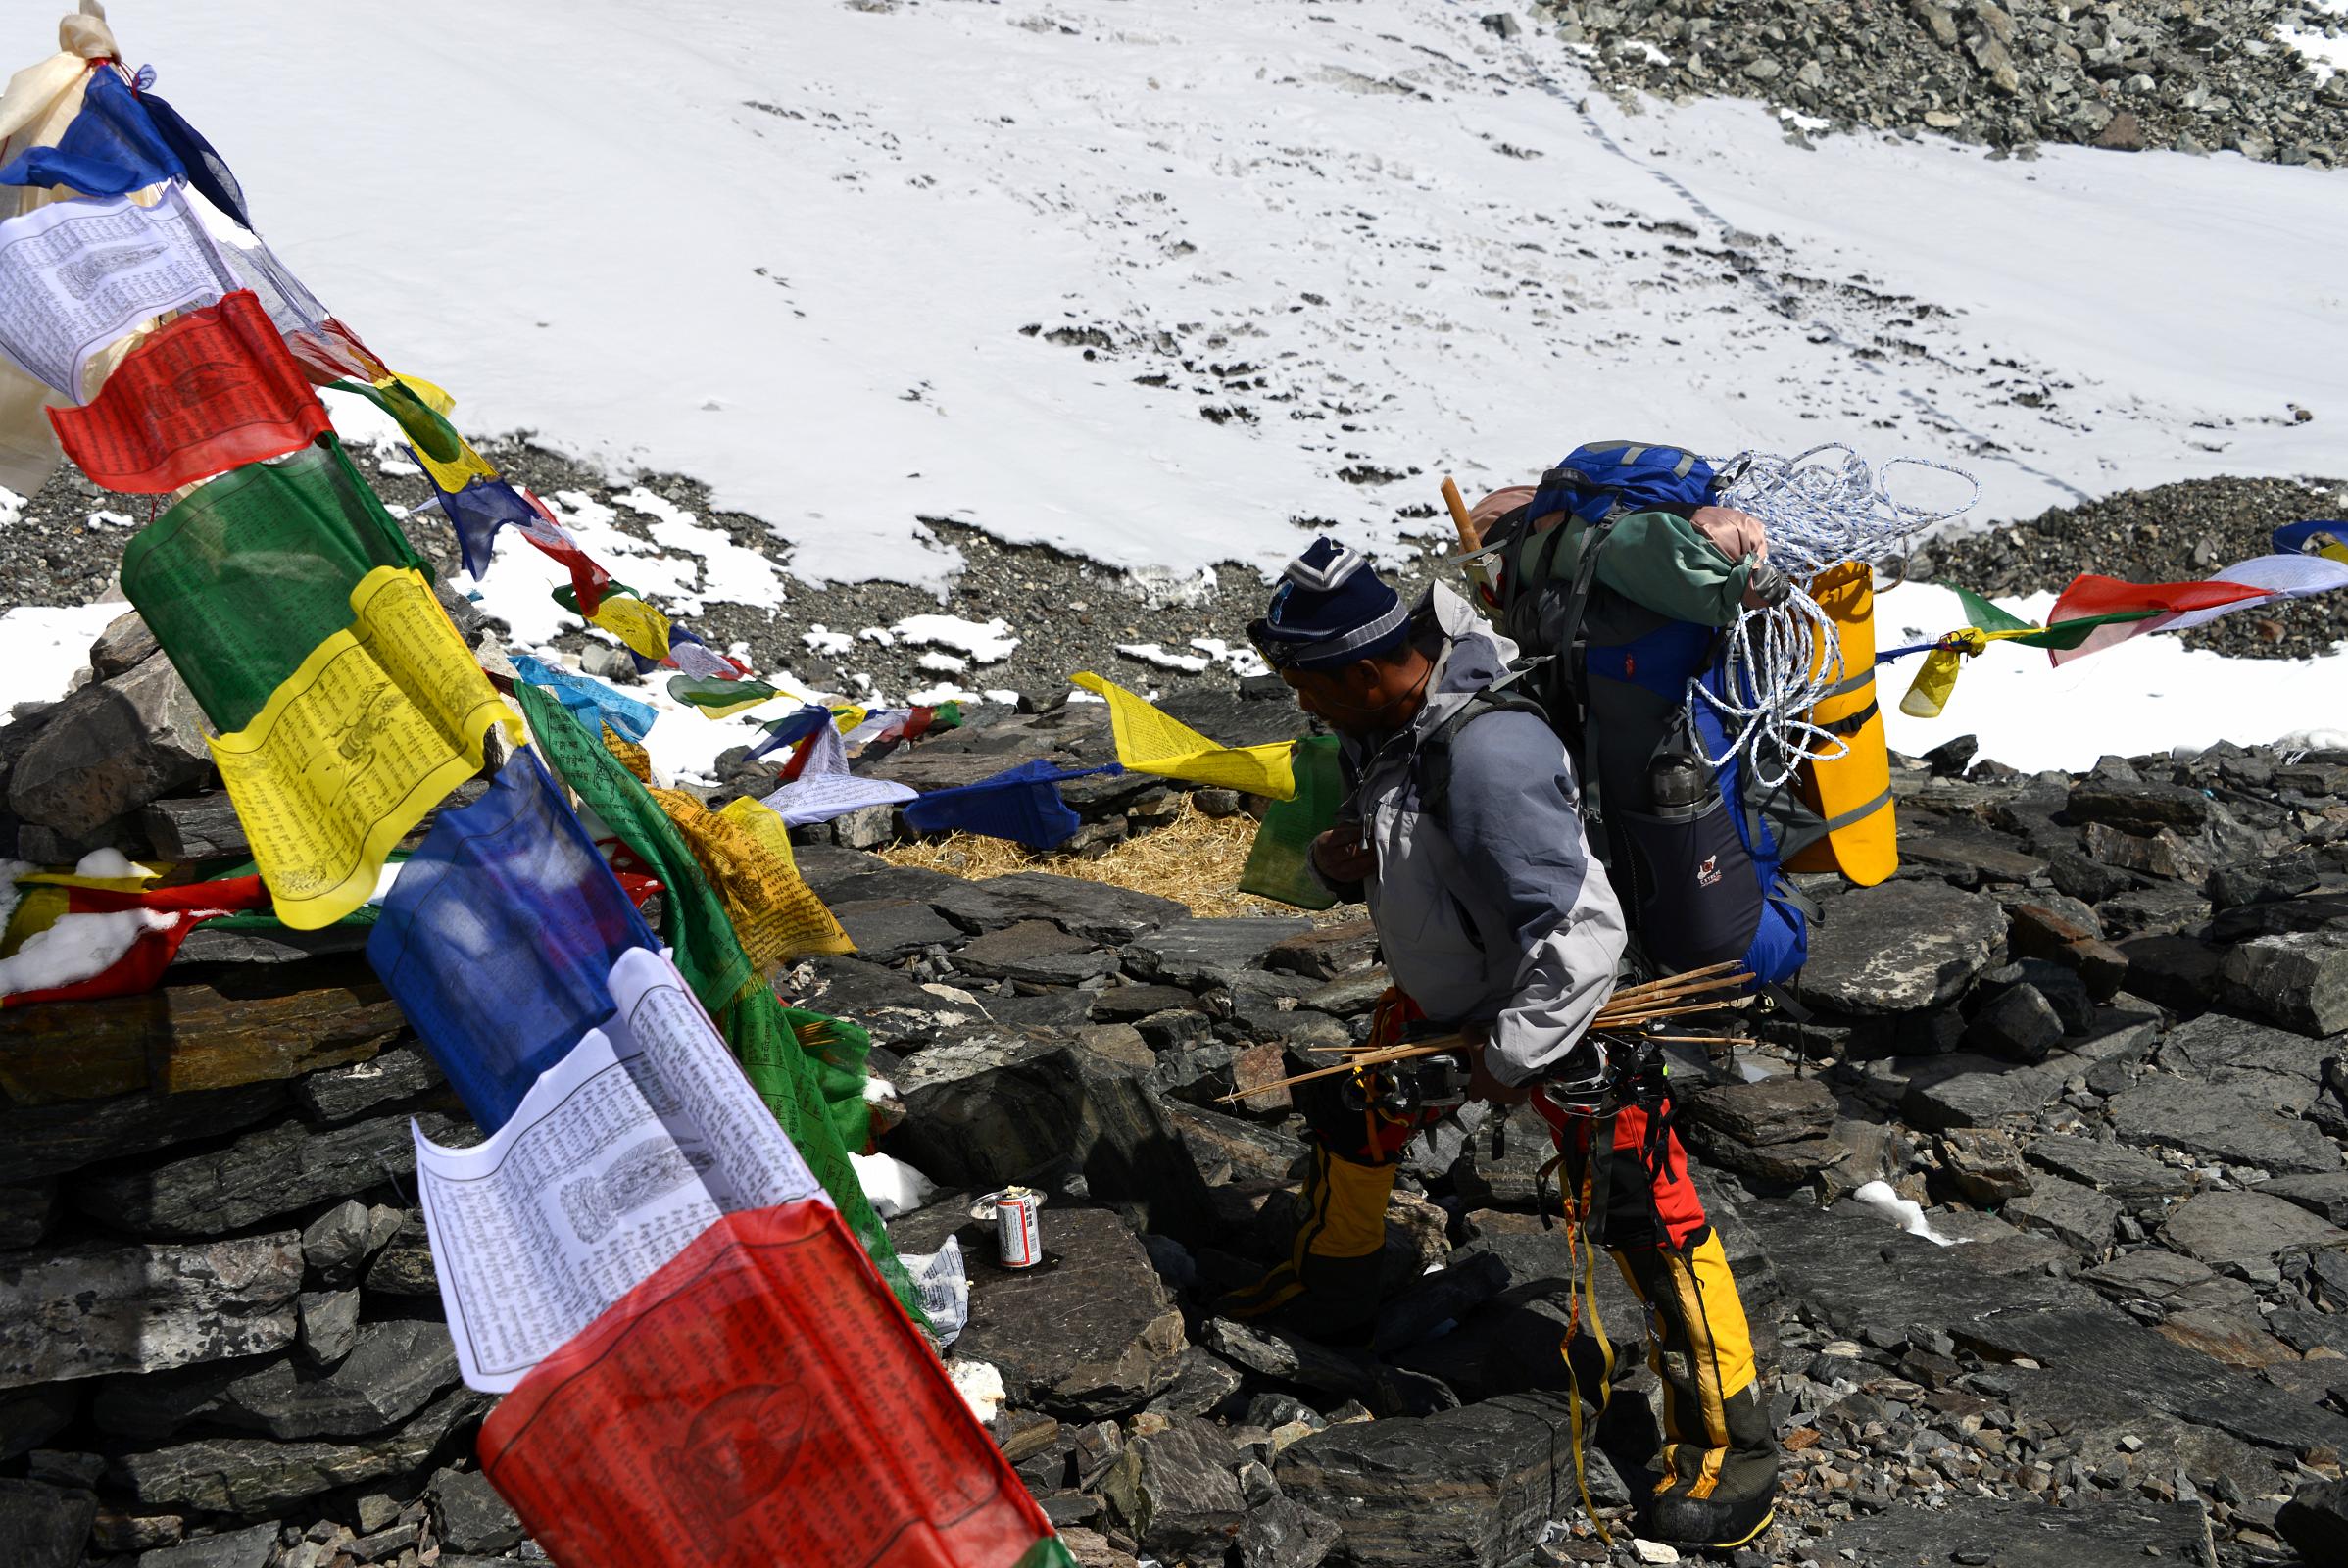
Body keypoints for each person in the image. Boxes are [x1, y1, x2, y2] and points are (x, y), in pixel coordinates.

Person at [1218, 536, 1779, 1551]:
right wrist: (1346, 856)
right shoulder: (1390, 722)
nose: (1303, 705)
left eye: (1308, 685)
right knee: (1353, 1100)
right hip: (1454, 999)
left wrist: (1505, 1053)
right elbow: (1408, 838)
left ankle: (1729, 1442)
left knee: (1644, 1207)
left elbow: (1583, 931)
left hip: (1553, 1017)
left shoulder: (1486, 756)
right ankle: (1335, 1282)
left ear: (1363, 669)